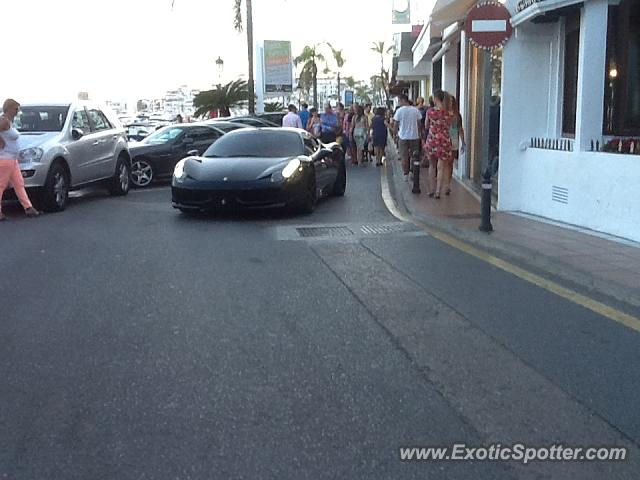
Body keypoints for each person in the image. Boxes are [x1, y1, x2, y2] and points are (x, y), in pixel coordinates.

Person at [0, 99, 40, 220]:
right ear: (9, 108)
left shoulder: (9, 122)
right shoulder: (4, 121)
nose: (17, 112)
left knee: (19, 184)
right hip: (5, 159)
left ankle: (28, 207)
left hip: (12, 160)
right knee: (1, 185)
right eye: (15, 109)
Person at [425, 90, 453, 199]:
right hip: (444, 141)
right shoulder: (449, 113)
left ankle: (431, 189)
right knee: (441, 167)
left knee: (432, 165)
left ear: (436, 98)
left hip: (432, 140)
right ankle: (438, 191)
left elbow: (426, 125)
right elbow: (449, 126)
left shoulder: (430, 111)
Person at [392, 94, 422, 182]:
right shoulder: (415, 110)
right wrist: (419, 133)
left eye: (399, 101)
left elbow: (395, 125)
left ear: (402, 100)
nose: (399, 103)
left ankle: (405, 174)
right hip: (414, 136)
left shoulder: (399, 111)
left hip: (403, 137)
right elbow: (419, 124)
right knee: (414, 156)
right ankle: (413, 172)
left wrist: (394, 134)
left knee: (404, 156)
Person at [446, 96, 465, 195]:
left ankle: (447, 184)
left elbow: (460, 129)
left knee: (449, 162)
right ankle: (446, 183)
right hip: (447, 140)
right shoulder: (444, 114)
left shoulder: (456, 115)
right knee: (447, 162)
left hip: (451, 140)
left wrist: (463, 142)